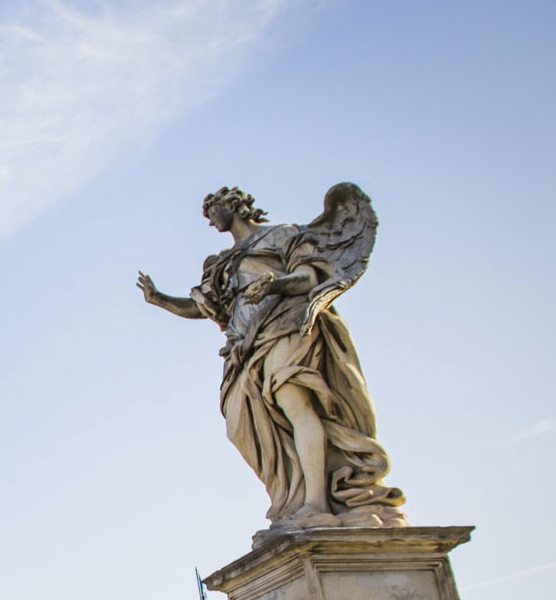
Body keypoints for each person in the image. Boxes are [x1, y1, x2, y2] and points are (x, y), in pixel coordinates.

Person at [136, 183, 404, 536]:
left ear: (234, 205)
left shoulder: (283, 236)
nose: (209, 218)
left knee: (296, 403)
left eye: (212, 209)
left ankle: (318, 505)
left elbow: (309, 277)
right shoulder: (222, 264)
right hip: (244, 347)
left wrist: (274, 284)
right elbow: (203, 308)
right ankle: (293, 500)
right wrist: (159, 299)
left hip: (286, 326)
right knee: (241, 426)